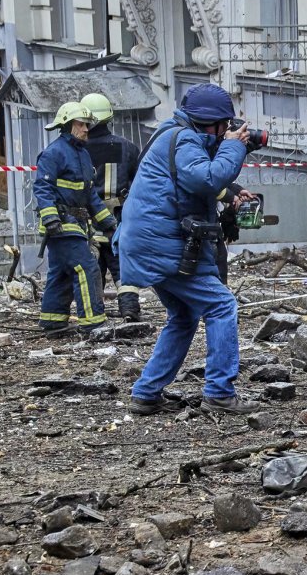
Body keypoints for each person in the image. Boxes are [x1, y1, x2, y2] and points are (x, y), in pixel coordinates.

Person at [119, 84, 259, 416]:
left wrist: (233, 180)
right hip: (159, 245)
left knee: (183, 315)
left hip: (150, 242)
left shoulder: (176, 134)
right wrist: (233, 148)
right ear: (209, 123)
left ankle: (146, 394)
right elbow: (206, 179)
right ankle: (220, 393)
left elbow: (196, 177)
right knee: (222, 306)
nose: (227, 130)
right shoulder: (183, 139)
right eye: (224, 125)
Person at [34, 101, 117, 335]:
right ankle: (94, 322)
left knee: (61, 272)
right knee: (86, 267)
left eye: (87, 125)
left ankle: (53, 321)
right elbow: (42, 188)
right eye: (81, 124)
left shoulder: (82, 154)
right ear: (68, 125)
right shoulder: (54, 153)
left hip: (78, 224)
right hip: (61, 224)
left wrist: (108, 223)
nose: (86, 129)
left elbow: (90, 194)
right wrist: (51, 219)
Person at [81, 93, 143, 321]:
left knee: (93, 269)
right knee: (123, 268)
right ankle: (129, 310)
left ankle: (95, 313)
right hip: (119, 221)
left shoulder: (79, 150)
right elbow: (139, 186)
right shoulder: (127, 148)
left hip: (89, 222)